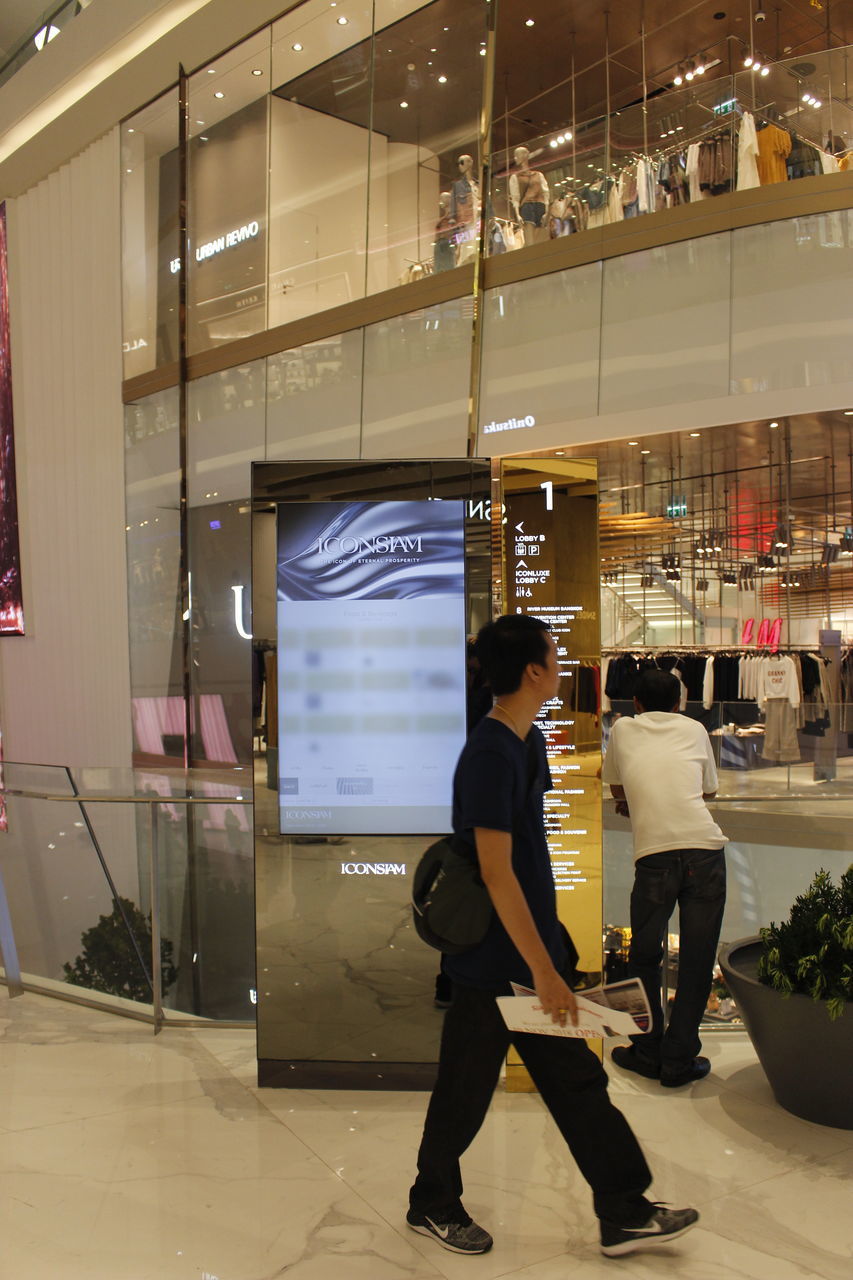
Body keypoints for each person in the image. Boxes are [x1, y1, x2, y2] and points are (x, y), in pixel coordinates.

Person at [407, 615, 698, 1259]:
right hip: (493, 961)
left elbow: (529, 861)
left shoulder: (528, 740)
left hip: (531, 951)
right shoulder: (488, 754)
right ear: (533, 671)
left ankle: (622, 1210)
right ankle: (432, 1200)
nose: (562, 666)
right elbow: (495, 871)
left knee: (574, 1083)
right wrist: (542, 968)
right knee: (465, 1091)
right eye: (554, 656)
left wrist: (550, 949)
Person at [602, 667, 727, 1087]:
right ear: (680, 704)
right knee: (696, 958)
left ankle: (646, 1049)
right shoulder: (694, 729)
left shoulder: (622, 729)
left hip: (654, 857)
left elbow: (616, 787)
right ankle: (678, 1060)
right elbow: (708, 791)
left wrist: (635, 802)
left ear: (634, 704)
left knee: (644, 956)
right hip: (705, 852)